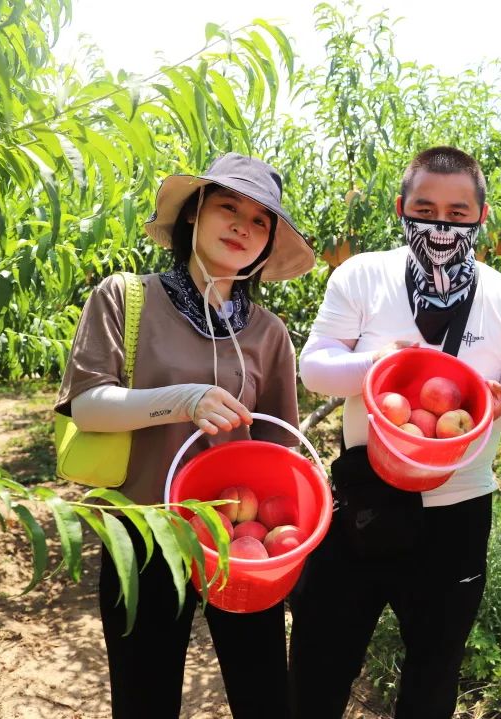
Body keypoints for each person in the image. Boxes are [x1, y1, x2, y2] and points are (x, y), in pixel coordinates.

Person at [54, 153, 316, 718]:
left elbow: (280, 448)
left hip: (238, 537)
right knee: (144, 697)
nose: (243, 226)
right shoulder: (126, 298)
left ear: (268, 242)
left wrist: (294, 527)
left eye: (260, 220)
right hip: (144, 531)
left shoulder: (268, 334)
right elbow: (88, 405)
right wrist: (182, 400)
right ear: (194, 213)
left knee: (263, 694)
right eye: (228, 207)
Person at [287, 146, 501, 718]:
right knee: (319, 661)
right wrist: (376, 364)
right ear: (402, 208)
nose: (441, 225)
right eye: (425, 210)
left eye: (458, 213)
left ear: (481, 216)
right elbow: (315, 368)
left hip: (457, 510)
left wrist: (494, 408)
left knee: (434, 670)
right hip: (361, 499)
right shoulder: (363, 275)